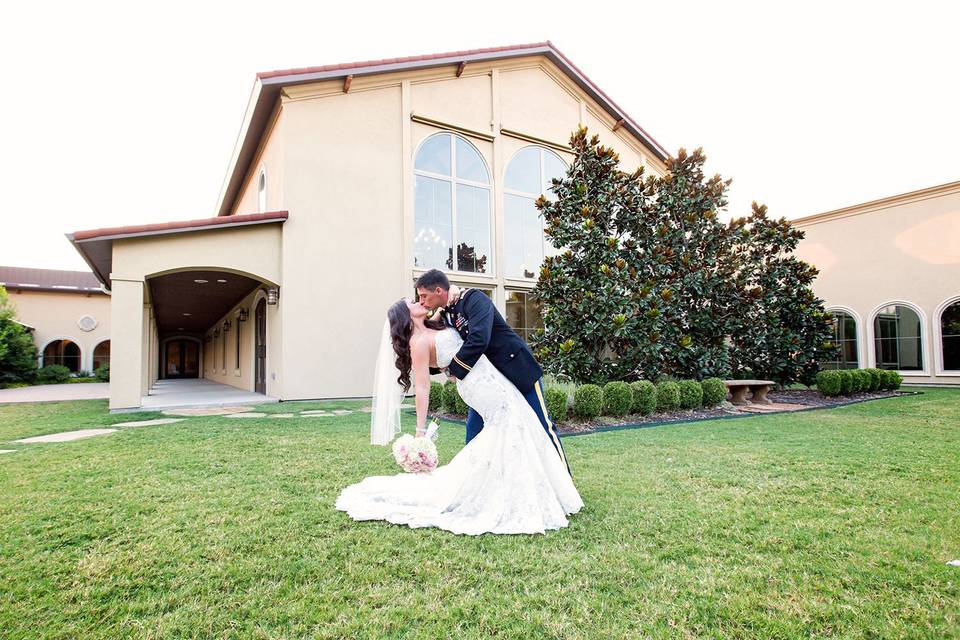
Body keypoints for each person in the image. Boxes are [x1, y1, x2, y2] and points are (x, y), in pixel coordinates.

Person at [335, 299, 582, 535]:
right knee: (508, 425)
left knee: (515, 425)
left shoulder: (438, 321)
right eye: (411, 302)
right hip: (479, 387)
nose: (418, 301)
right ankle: (512, 493)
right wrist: (420, 434)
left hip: (491, 376)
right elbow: (422, 387)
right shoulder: (418, 342)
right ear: (406, 315)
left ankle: (519, 487)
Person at [415, 269, 570, 474]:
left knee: (543, 425)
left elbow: (479, 339)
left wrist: (453, 370)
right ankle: (473, 482)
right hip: (490, 383)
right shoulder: (448, 312)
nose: (422, 301)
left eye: (424, 296)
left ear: (438, 290)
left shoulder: (474, 299)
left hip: (518, 369)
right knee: (474, 431)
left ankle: (564, 478)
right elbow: (439, 346)